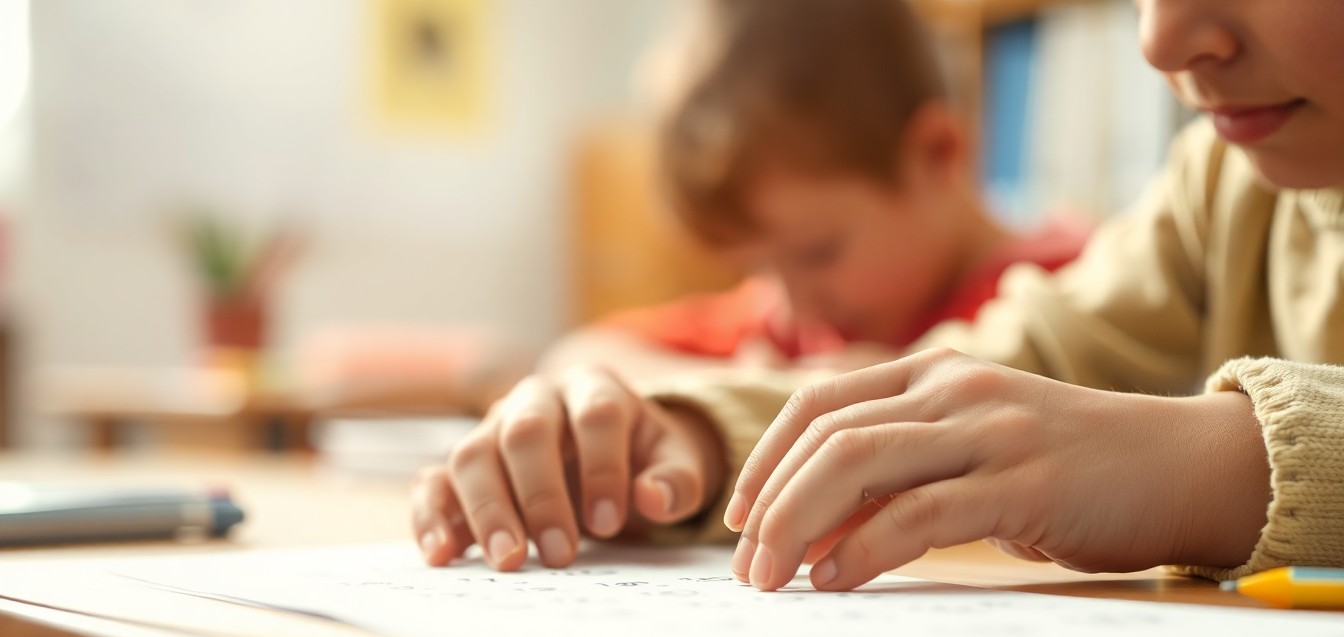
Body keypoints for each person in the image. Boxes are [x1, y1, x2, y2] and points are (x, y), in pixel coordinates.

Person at [413, 0, 1344, 590]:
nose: (1159, 36)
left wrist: (1214, 466)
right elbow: (984, 383)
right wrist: (685, 435)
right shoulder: (1223, 188)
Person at [537, 0, 1087, 380]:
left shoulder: (1076, 294)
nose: (795, 306)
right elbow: (580, 358)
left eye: (817, 253)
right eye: (757, 269)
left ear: (937, 154)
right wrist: (735, 394)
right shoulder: (798, 317)